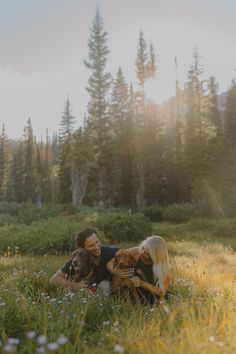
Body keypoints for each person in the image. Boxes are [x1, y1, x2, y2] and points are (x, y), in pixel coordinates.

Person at [49, 228, 119, 291]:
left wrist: (110, 265)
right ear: (81, 248)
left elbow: (129, 252)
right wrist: (76, 286)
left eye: (97, 242)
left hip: (109, 284)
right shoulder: (77, 260)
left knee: (104, 286)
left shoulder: (110, 252)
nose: (96, 247)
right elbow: (53, 280)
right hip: (91, 289)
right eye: (91, 245)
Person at [107, 235, 172, 303]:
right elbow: (109, 263)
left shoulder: (164, 268)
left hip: (151, 296)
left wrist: (142, 283)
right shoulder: (136, 251)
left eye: (147, 254)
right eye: (143, 248)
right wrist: (115, 272)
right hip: (132, 293)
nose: (142, 252)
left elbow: (162, 292)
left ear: (155, 256)